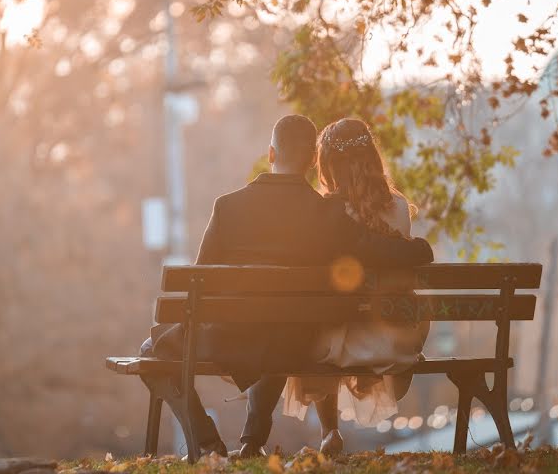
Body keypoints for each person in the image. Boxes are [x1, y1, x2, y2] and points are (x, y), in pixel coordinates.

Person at [139, 115, 434, 458]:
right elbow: (378, 249)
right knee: (277, 330)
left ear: (271, 153)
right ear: (312, 161)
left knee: (151, 350)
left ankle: (206, 439)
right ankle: (249, 440)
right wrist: (419, 249)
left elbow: (201, 284)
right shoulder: (327, 213)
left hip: (230, 337)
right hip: (293, 342)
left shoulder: (228, 206)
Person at [280, 118, 431, 456]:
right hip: (391, 337)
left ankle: (330, 431)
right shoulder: (398, 208)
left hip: (337, 342)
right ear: (372, 157)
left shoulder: (328, 212)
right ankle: (396, 369)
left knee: (321, 323)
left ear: (329, 165)